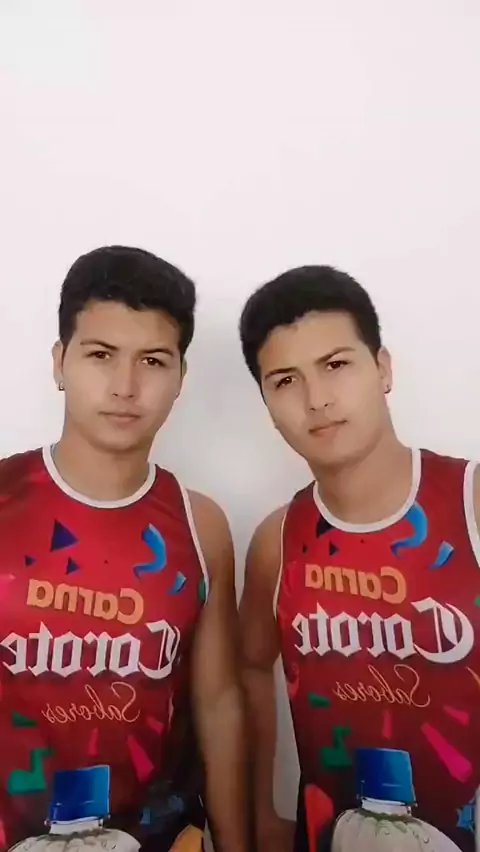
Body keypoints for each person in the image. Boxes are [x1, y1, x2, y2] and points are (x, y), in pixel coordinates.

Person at [0, 246, 247, 852]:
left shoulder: (199, 525)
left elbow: (217, 703)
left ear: (181, 378)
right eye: (101, 355)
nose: (125, 387)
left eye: (153, 361)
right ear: (59, 362)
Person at [238, 265, 480, 852]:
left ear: (383, 368)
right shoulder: (277, 541)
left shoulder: (470, 502)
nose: (317, 400)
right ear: (266, 403)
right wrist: (262, 811)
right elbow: (249, 668)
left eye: (336, 365)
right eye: (286, 380)